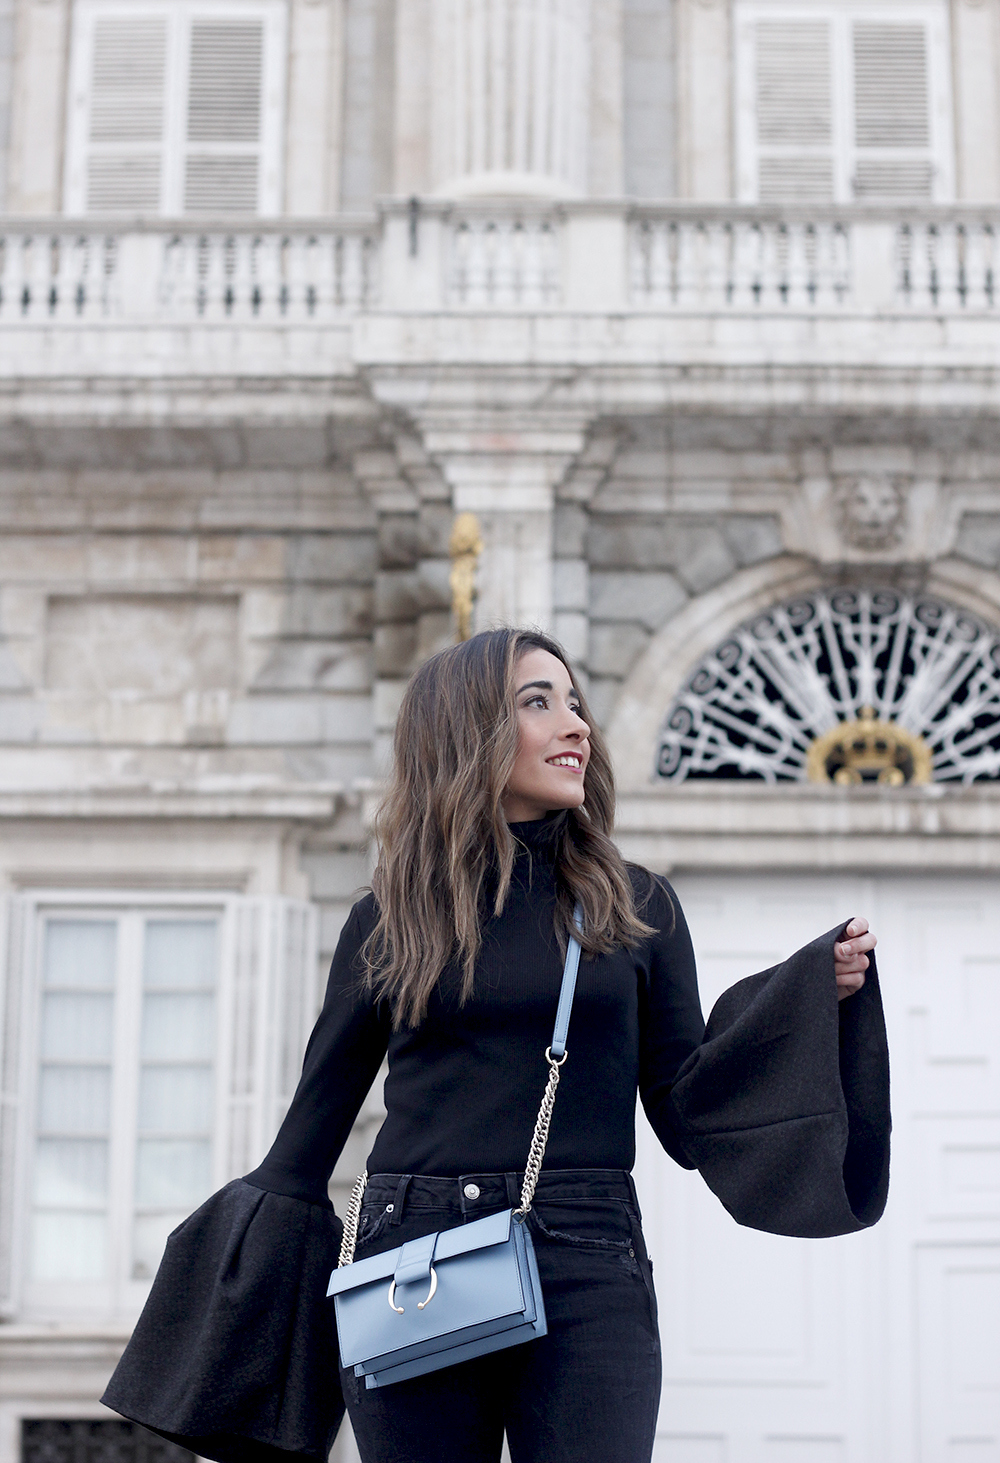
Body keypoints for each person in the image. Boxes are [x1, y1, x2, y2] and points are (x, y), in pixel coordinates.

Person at [103, 627, 889, 1463]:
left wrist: (801, 996)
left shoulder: (637, 906)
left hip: (586, 1254)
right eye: (538, 702)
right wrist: (224, 1329)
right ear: (467, 729)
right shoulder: (391, 915)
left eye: (575, 702)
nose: (576, 723)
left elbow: (688, 1113)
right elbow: (309, 1135)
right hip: (412, 1256)